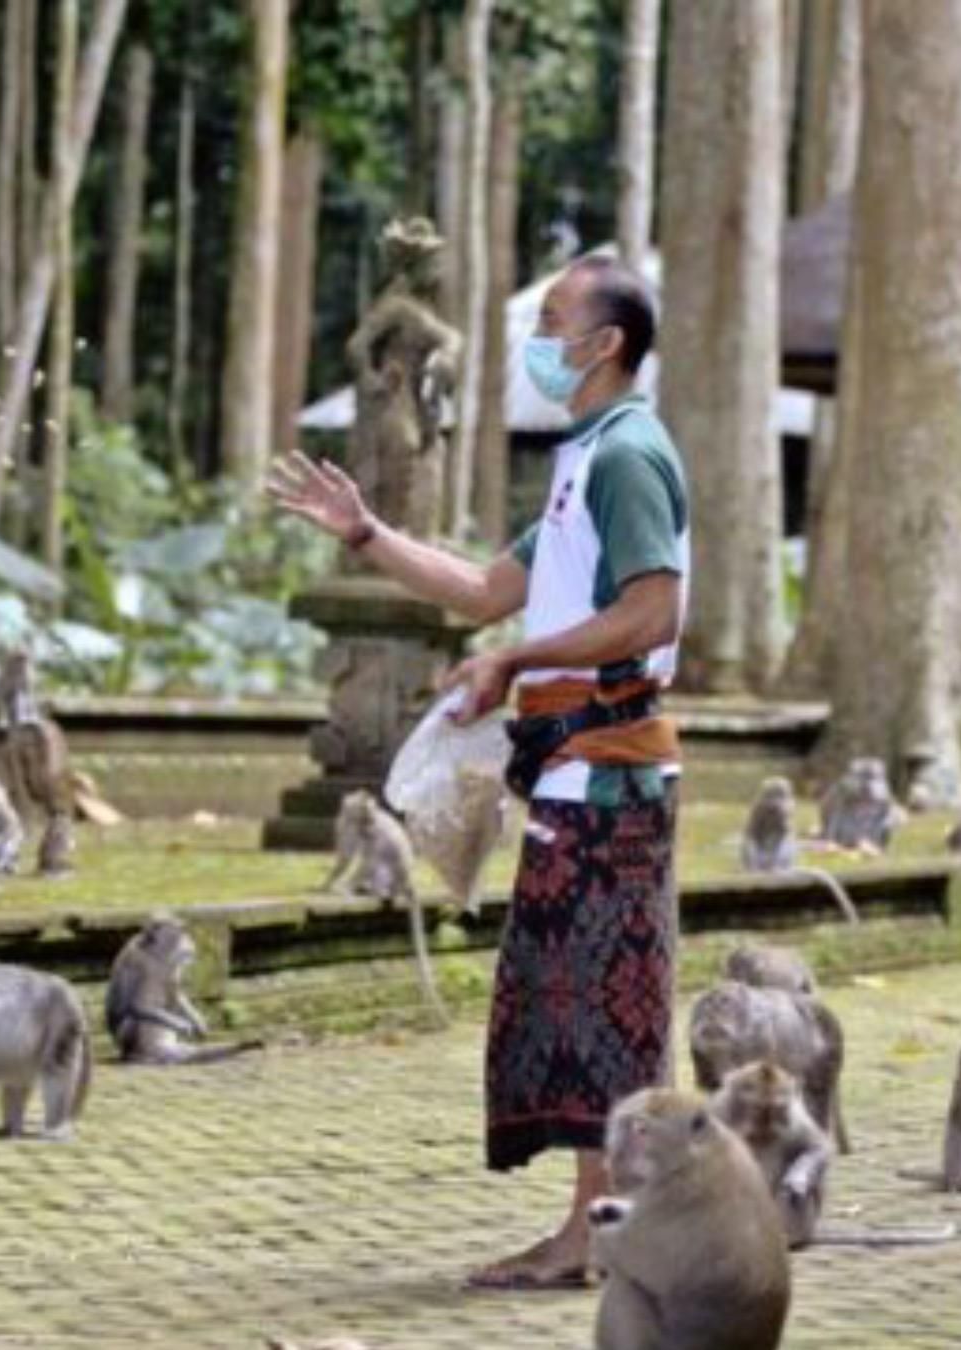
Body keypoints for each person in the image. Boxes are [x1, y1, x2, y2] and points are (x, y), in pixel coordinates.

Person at [267, 254, 690, 1290]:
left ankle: (599, 1236)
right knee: (569, 1003)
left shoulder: (630, 455)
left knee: (605, 1009)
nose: (535, 343)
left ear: (605, 345)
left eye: (552, 323)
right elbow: (485, 589)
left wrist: (516, 661)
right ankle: (597, 1227)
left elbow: (653, 612)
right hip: (568, 773)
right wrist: (366, 534)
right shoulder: (584, 458)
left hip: (610, 776)